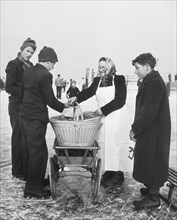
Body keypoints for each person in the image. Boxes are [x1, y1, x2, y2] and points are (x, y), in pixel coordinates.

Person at [69, 57, 132, 186]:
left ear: (110, 67)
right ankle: (109, 170)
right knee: (104, 144)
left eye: (103, 67)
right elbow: (88, 92)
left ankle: (118, 174)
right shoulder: (97, 80)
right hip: (104, 117)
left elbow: (120, 100)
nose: (101, 69)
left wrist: (102, 110)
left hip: (117, 116)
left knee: (115, 144)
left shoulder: (119, 79)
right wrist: (77, 97)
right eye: (99, 67)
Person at [20, 47, 71, 199]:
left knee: (31, 150)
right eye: (53, 63)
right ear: (48, 61)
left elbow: (22, 92)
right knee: (39, 153)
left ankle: (33, 181)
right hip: (36, 118)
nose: (53, 66)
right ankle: (33, 189)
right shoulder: (45, 74)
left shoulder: (28, 71)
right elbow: (50, 100)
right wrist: (64, 107)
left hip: (24, 115)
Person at [130, 53, 171, 210]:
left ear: (147, 67)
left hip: (154, 133)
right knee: (148, 159)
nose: (135, 71)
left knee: (152, 160)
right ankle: (151, 188)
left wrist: (135, 129)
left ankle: (154, 197)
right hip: (151, 131)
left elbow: (148, 112)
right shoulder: (150, 81)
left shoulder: (153, 83)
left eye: (137, 68)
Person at [5, 38, 36, 180]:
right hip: (16, 104)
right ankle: (17, 170)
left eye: (32, 52)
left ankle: (25, 168)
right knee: (18, 135)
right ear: (22, 49)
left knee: (26, 136)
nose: (29, 54)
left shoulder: (30, 65)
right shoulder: (13, 64)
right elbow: (9, 86)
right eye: (27, 51)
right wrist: (26, 92)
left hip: (27, 105)